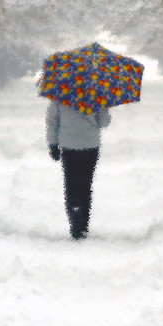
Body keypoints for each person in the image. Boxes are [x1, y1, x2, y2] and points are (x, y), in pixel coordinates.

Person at [45, 100, 111, 240]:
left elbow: (52, 121)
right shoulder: (96, 95)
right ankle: (83, 224)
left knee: (71, 183)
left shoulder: (60, 95)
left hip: (68, 145)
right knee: (85, 184)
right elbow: (104, 122)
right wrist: (104, 107)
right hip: (90, 145)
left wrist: (53, 143)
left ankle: (74, 213)